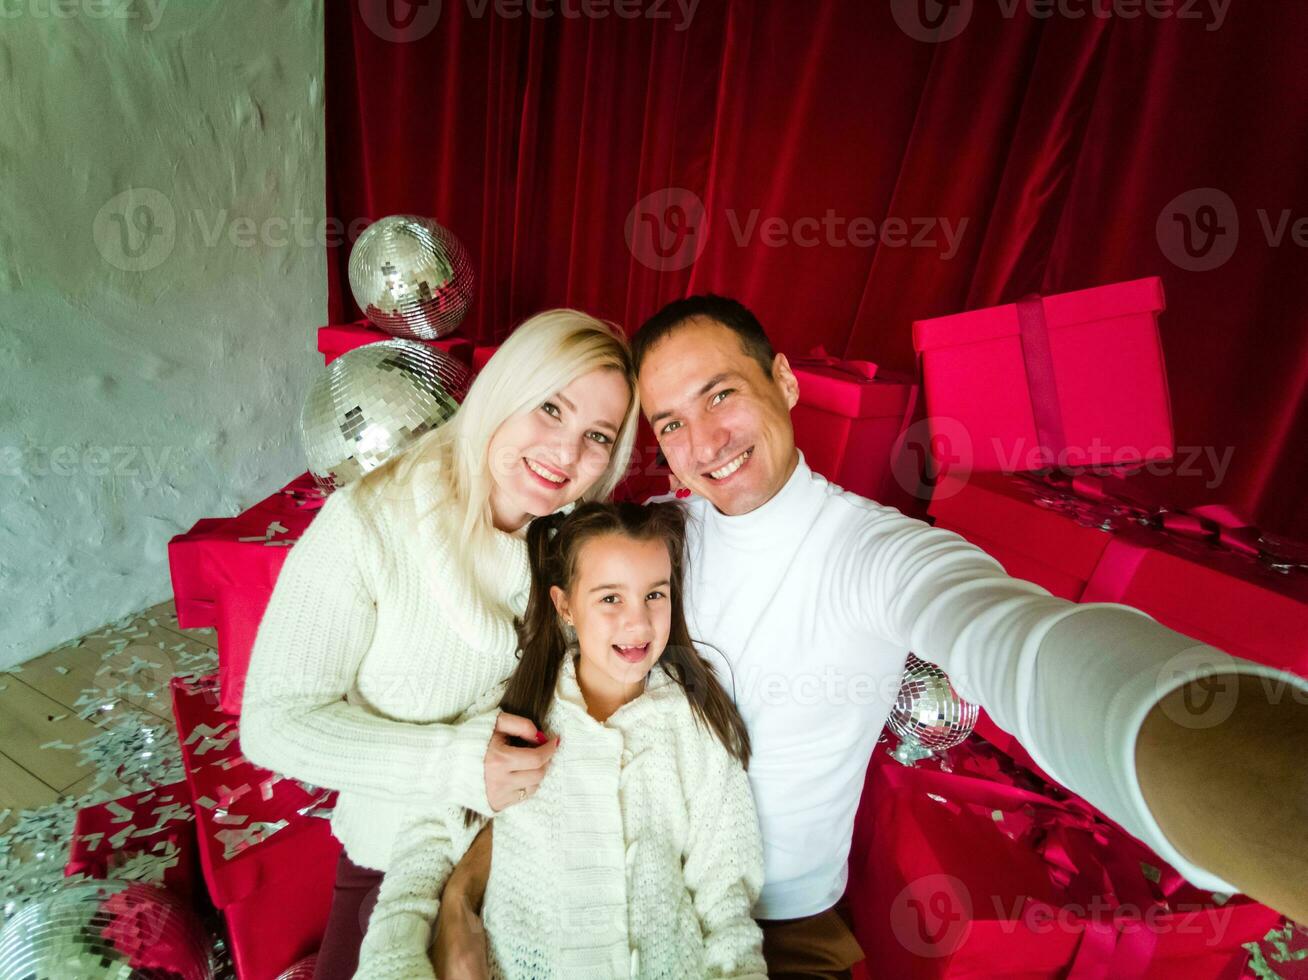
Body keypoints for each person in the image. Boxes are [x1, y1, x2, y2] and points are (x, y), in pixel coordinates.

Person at [434, 294, 1308, 979]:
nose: (702, 441)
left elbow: (1022, 643)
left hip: (778, 929)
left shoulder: (878, 553)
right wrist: (461, 899)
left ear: (784, 380)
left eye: (721, 395)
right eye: (669, 424)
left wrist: (1223, 761)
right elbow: (551, 723)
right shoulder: (650, 542)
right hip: (611, 882)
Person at [239, 309, 643, 980]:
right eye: (550, 407)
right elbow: (273, 723)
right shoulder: (370, 524)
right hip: (392, 851)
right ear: (503, 390)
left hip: (521, 845)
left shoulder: (570, 543)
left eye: (596, 435)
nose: (567, 455)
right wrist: (451, 763)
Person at [353, 501, 768, 979]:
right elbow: (421, 858)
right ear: (564, 605)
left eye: (655, 595)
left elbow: (725, 892)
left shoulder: (694, 724)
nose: (638, 622)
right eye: (610, 598)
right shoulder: (510, 713)